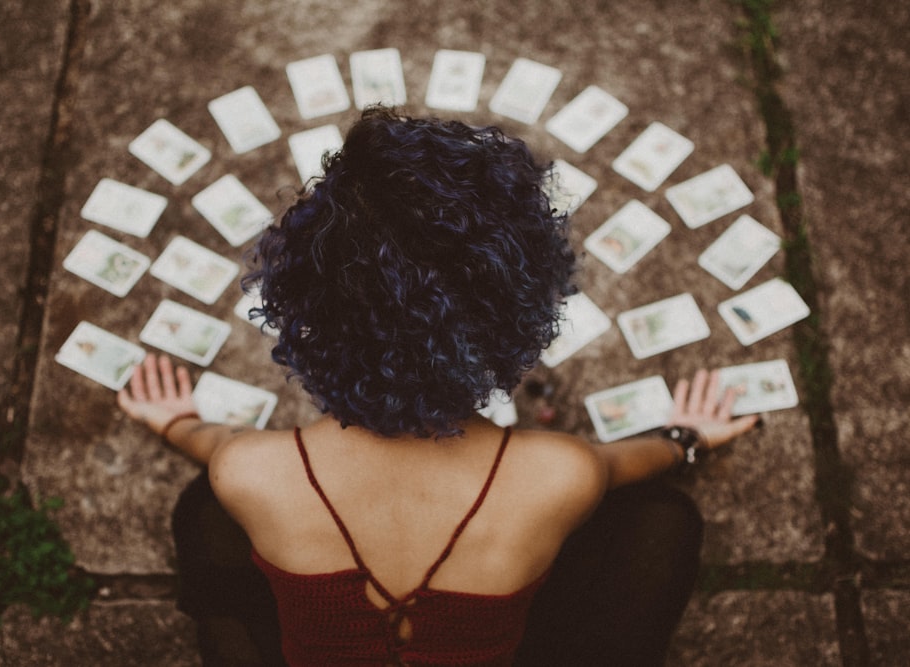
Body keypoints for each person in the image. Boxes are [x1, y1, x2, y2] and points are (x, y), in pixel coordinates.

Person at [117, 107, 760, 666]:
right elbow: (626, 463)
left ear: (307, 312)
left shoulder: (249, 471)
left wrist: (172, 422)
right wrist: (686, 438)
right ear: (520, 319)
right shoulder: (560, 473)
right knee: (664, 518)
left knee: (203, 509)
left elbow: (218, 444)